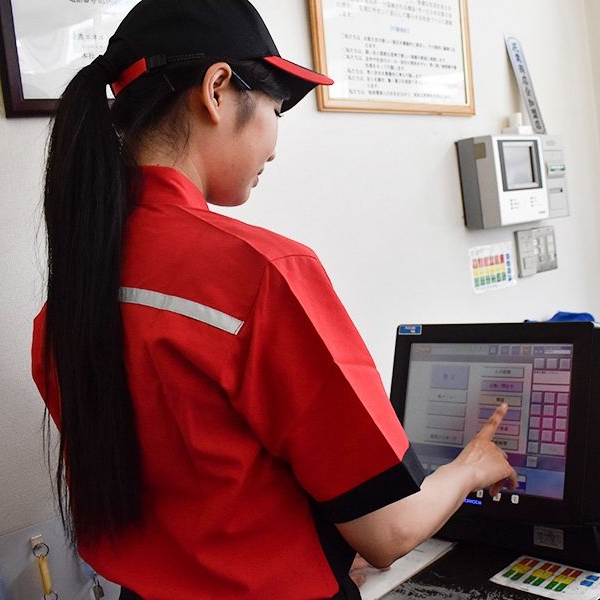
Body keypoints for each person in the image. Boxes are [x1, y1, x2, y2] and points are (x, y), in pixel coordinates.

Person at [30, 1, 518, 598]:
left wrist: (317, 546)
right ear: (217, 90)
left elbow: (206, 496)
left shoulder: (70, 300)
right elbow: (389, 531)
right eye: (276, 108)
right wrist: (470, 467)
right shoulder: (263, 273)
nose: (275, 146)